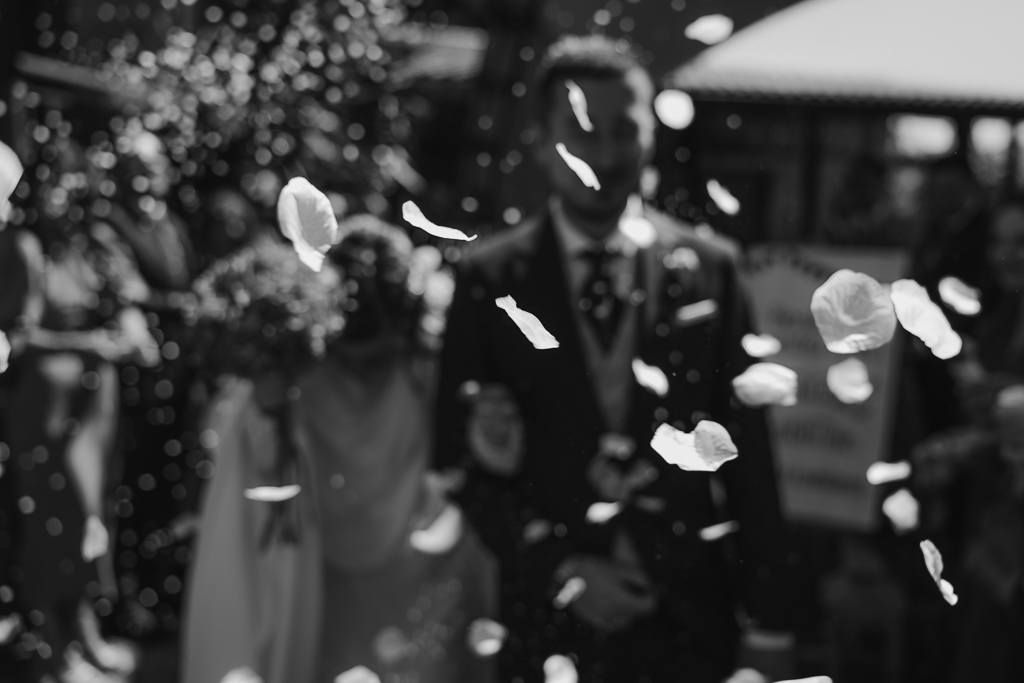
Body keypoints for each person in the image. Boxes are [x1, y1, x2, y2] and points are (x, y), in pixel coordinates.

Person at [434, 34, 793, 683]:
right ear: (540, 141)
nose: (605, 155)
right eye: (583, 133)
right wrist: (561, 568)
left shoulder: (713, 269)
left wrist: (772, 622)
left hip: (688, 623)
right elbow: (456, 463)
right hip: (545, 626)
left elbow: (750, 454)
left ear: (652, 133)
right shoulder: (487, 278)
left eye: (625, 131)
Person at [182, 217, 498, 683]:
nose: (363, 370)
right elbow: (256, 472)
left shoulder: (429, 361)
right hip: (320, 570)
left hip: (418, 570)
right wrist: (268, 406)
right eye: (351, 355)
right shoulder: (293, 366)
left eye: (380, 355)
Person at [1, 134, 160, 682]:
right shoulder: (25, 247)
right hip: (46, 398)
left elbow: (128, 301)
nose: (65, 199)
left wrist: (130, 328)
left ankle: (85, 629)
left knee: (93, 516)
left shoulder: (93, 244)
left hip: (97, 397)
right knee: (54, 516)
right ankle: (53, 638)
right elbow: (15, 339)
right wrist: (87, 344)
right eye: (56, 188)